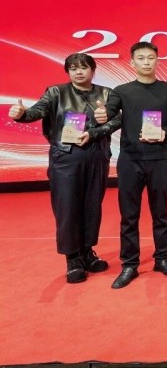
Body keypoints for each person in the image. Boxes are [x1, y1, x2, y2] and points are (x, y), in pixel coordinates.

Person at [9, 53, 121, 283]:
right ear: (68, 71)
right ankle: (73, 258)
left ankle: (87, 252)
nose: (78, 72)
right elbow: (36, 112)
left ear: (93, 70)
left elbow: (118, 120)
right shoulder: (56, 92)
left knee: (92, 206)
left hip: (96, 156)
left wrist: (95, 131)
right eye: (73, 68)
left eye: (83, 67)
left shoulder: (107, 93)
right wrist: (22, 115)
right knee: (67, 207)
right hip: (65, 157)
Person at [99, 42, 167, 289]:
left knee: (160, 213)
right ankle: (130, 264)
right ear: (132, 62)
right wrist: (102, 115)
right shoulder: (122, 91)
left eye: (150, 58)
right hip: (130, 160)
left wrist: (165, 131)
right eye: (141, 58)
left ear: (157, 60)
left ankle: (162, 259)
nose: (146, 62)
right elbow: (109, 113)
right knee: (129, 215)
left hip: (159, 159)